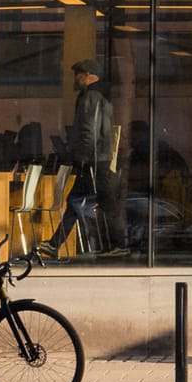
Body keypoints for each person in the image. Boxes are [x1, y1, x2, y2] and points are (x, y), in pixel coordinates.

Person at [42, 58, 128, 259]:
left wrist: (81, 159)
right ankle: (114, 245)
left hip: (92, 161)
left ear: (88, 75)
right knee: (93, 203)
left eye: (78, 74)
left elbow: (88, 131)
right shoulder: (101, 96)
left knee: (84, 202)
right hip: (98, 159)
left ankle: (116, 244)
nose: (75, 78)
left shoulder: (91, 96)